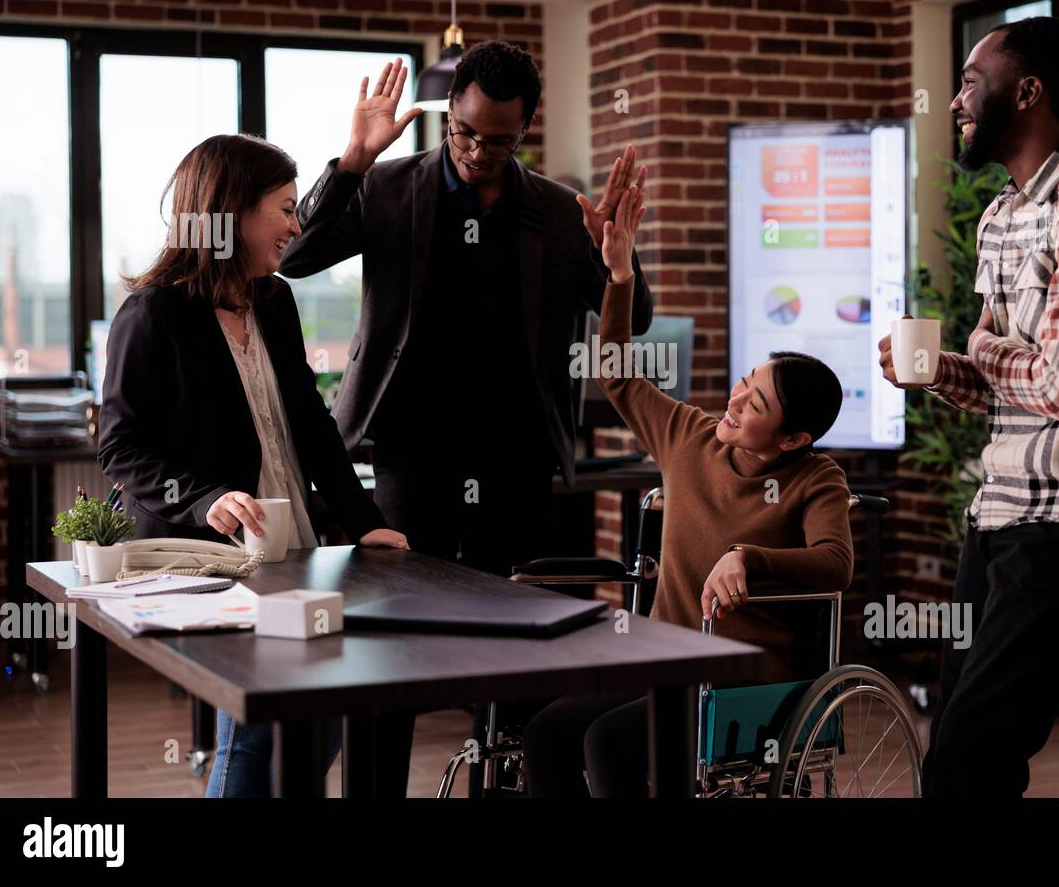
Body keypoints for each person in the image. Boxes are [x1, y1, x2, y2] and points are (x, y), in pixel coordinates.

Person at [878, 16, 1059, 797]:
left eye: (972, 83)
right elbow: (1010, 392)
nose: (954, 102)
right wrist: (936, 371)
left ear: (1030, 91)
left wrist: (981, 350)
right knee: (962, 745)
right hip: (1002, 512)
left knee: (968, 758)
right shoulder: (1002, 216)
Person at [98, 133, 408, 798]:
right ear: (232, 212)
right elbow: (120, 448)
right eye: (287, 208)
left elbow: (314, 426)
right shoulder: (151, 314)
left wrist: (362, 521)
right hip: (209, 562)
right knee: (256, 733)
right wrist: (203, 495)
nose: (298, 226)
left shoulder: (273, 301)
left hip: (292, 549)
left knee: (321, 716)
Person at [520, 184, 854, 797]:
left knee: (609, 742)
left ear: (791, 438)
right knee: (547, 733)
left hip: (743, 681)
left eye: (755, 404)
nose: (734, 400)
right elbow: (617, 374)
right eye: (745, 383)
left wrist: (748, 558)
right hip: (663, 661)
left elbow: (835, 564)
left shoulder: (815, 478)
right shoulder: (691, 436)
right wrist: (619, 274)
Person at [279, 41, 653, 574]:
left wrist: (613, 253)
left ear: (524, 130)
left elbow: (635, 320)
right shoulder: (386, 186)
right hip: (410, 446)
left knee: (509, 607)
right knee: (404, 600)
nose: (477, 151)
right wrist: (354, 162)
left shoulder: (561, 212)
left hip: (517, 451)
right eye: (466, 132)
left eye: (499, 141)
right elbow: (292, 257)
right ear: (449, 108)